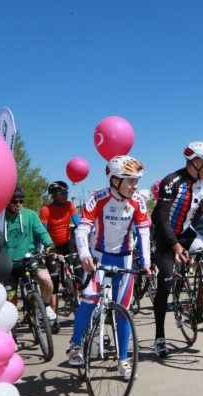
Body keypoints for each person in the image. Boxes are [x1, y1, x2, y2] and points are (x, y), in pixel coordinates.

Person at [66, 156, 152, 380]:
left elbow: (143, 232)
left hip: (124, 259)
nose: (135, 186)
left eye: (137, 181)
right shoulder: (98, 198)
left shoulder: (138, 202)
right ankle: (75, 345)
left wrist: (146, 263)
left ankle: (123, 360)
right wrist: (84, 255)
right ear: (114, 180)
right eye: (131, 181)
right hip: (98, 258)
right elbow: (82, 229)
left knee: (124, 310)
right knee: (90, 296)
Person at [151, 141, 203, 358]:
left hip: (187, 232)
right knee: (166, 281)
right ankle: (159, 336)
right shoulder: (172, 182)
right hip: (166, 236)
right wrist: (175, 245)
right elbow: (159, 217)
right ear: (196, 161)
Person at [0, 188, 56, 325]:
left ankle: (45, 306)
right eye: (14, 201)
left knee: (46, 280)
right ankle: (12, 339)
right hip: (7, 264)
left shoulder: (30, 215)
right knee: (11, 302)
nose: (18, 204)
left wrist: (50, 244)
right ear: (7, 202)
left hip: (29, 258)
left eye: (21, 201)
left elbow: (41, 232)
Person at [40, 181, 81, 320]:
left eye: (66, 192)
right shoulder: (46, 210)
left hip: (68, 243)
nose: (66, 195)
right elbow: (42, 232)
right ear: (54, 195)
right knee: (54, 280)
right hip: (53, 246)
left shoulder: (70, 205)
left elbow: (78, 224)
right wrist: (46, 249)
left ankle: (77, 301)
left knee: (77, 273)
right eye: (62, 193)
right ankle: (53, 316)